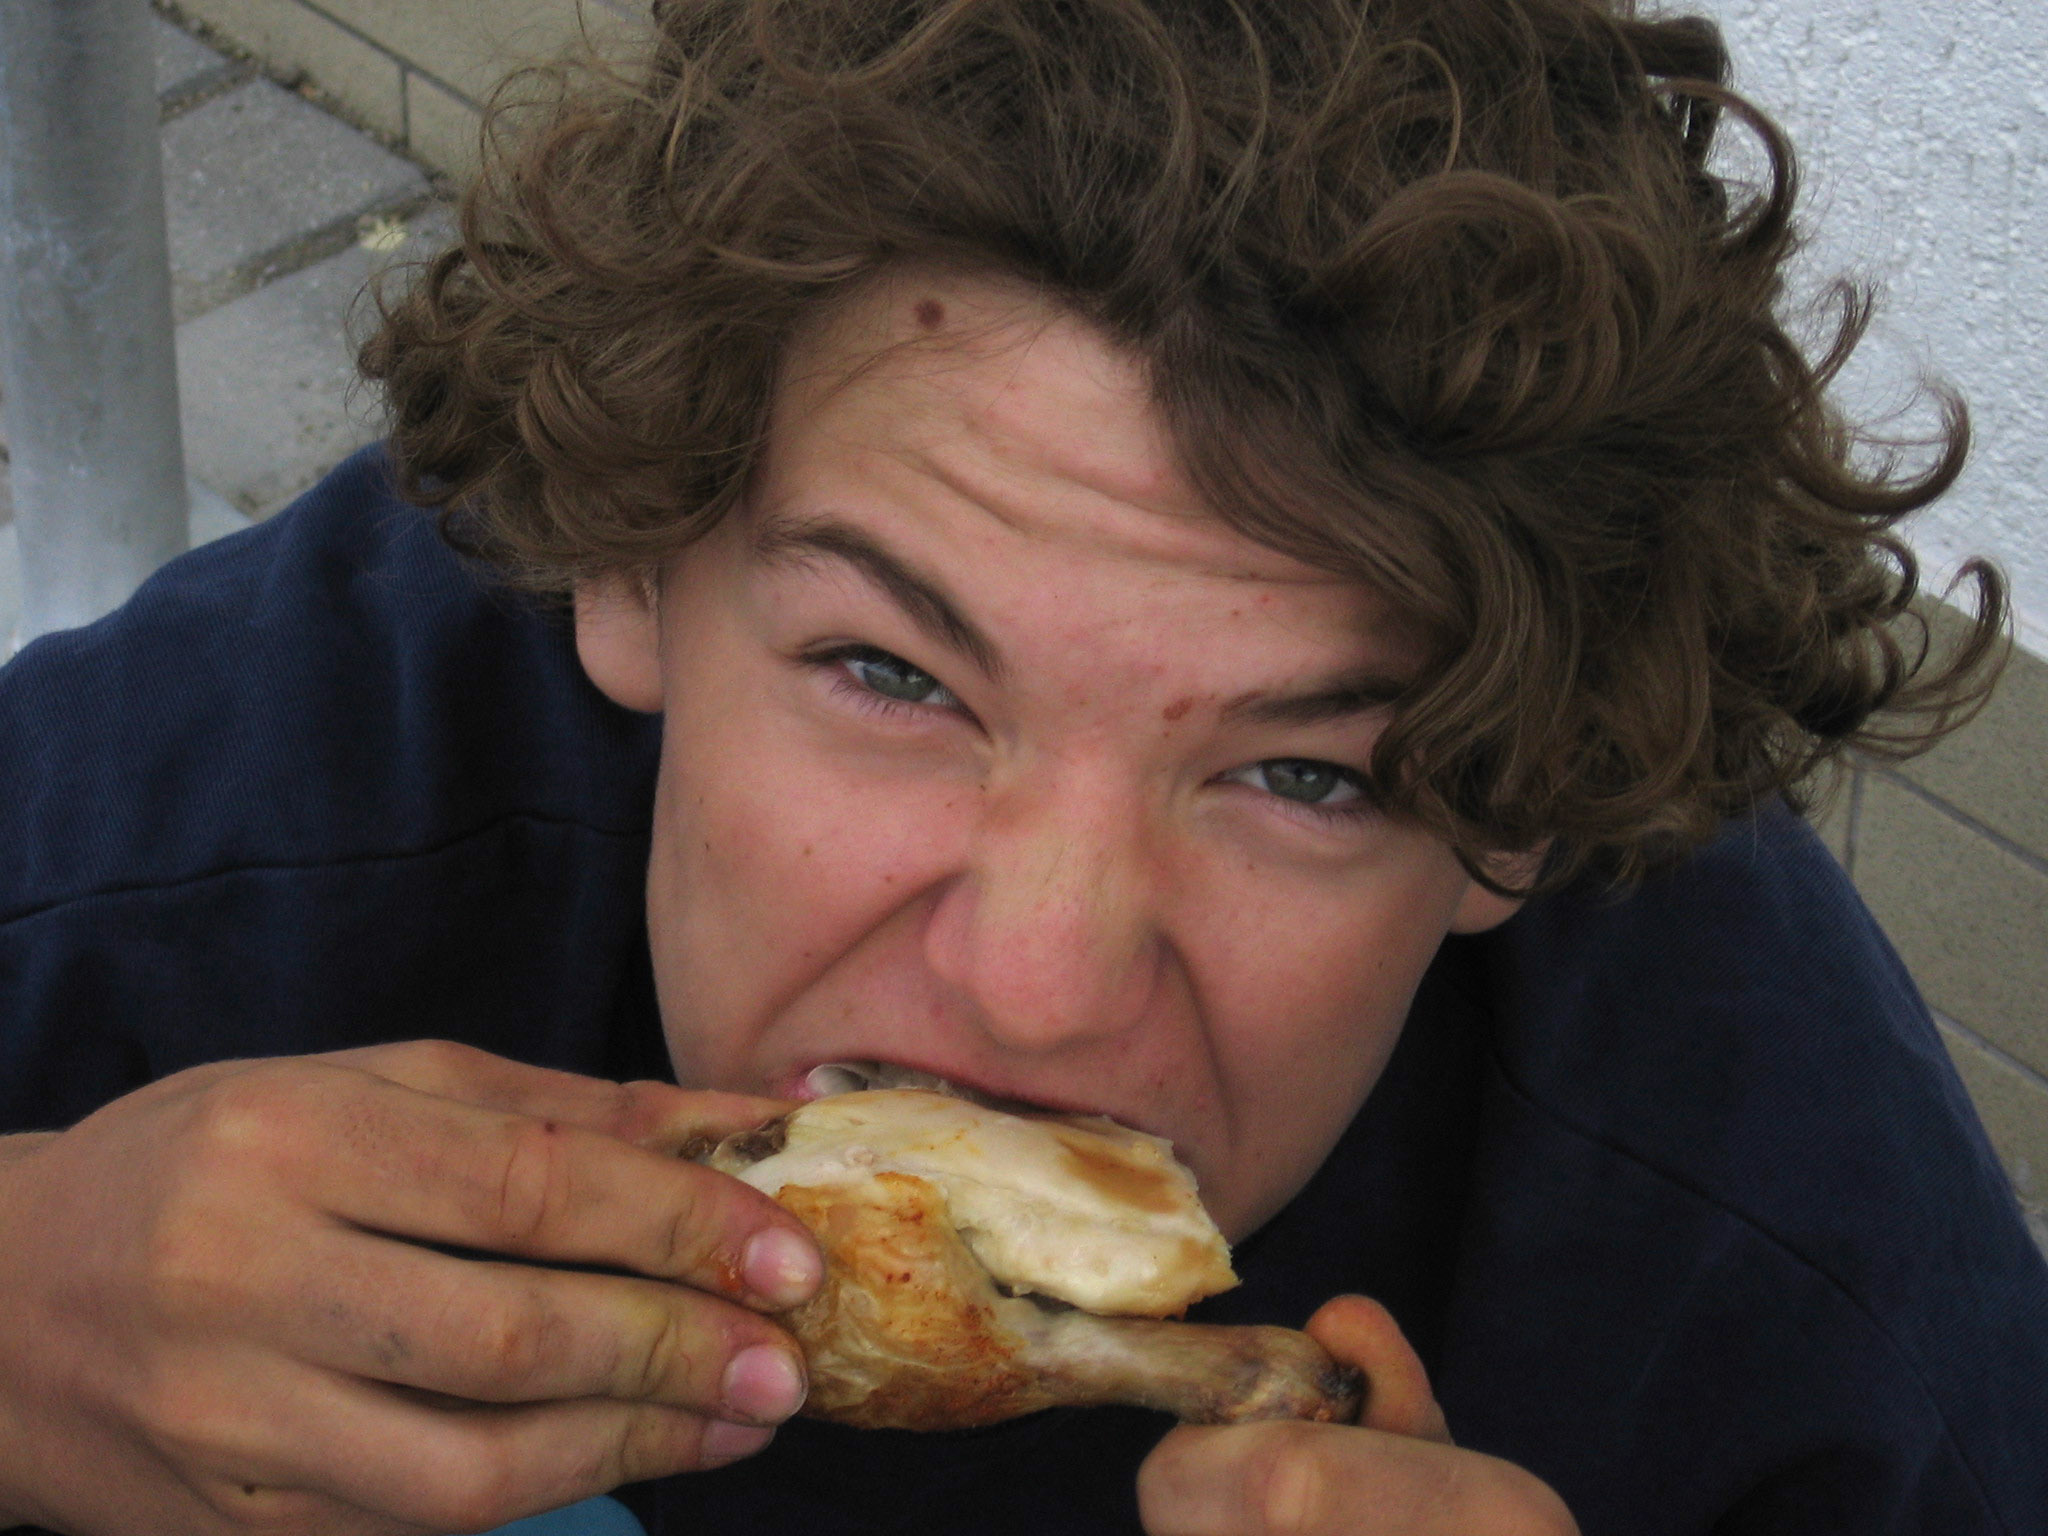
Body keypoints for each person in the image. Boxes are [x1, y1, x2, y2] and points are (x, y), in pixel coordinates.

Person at [1, 0, 2043, 1532]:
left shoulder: (1803, 1314)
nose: (1036, 988)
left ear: (1519, 818)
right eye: (891, 673)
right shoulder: (252, 820)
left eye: (1306, 779)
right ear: (628, 562)